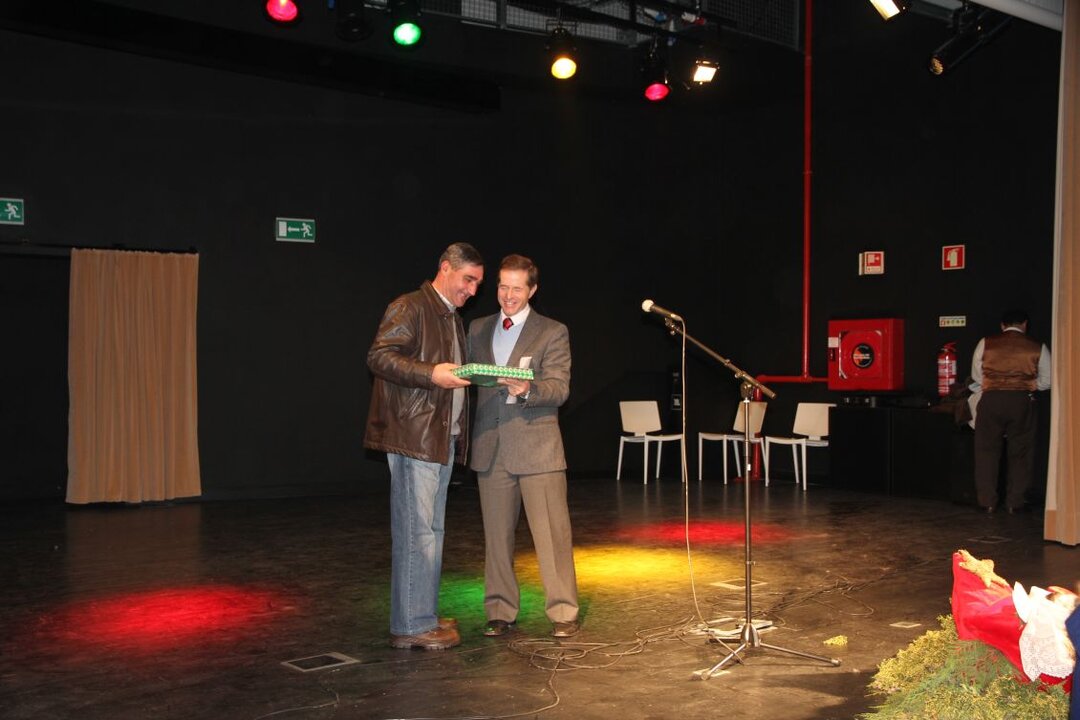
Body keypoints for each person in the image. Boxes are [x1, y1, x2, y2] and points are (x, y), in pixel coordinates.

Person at [364, 242, 484, 650]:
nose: (473, 290)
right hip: (414, 440)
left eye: (477, 283)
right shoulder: (410, 306)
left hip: (439, 439)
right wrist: (431, 373)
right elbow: (379, 357)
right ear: (445, 268)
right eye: (468, 279)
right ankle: (412, 625)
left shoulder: (450, 317)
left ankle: (422, 614)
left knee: (431, 531)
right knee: (417, 533)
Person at [467, 254, 580, 639]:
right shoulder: (478, 329)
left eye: (517, 288)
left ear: (532, 290)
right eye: (503, 286)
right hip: (490, 446)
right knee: (496, 538)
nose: (508, 295)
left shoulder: (552, 331)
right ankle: (500, 610)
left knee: (552, 536)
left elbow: (560, 388)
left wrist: (529, 388)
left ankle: (563, 611)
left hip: (537, 448)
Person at [970, 310, 1051, 514]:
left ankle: (987, 501)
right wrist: (1028, 385)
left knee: (986, 451)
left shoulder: (986, 343)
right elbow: (1047, 381)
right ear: (1025, 324)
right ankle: (1015, 502)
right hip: (1021, 401)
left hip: (991, 400)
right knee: (1021, 452)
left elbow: (977, 375)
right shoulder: (1037, 346)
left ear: (1002, 325)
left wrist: (993, 383)